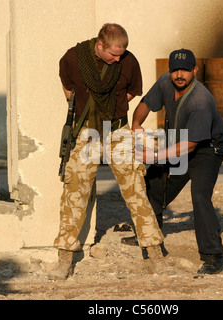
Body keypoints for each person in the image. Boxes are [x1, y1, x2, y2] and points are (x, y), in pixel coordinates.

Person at [51, 23, 167, 280]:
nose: (118, 59)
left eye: (121, 53)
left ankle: (155, 255)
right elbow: (69, 92)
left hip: (117, 131)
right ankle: (64, 259)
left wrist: (108, 110)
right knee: (74, 193)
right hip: (85, 133)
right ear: (100, 45)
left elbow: (128, 95)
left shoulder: (128, 61)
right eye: (113, 54)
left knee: (136, 189)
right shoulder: (72, 58)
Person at [123, 48, 223, 275]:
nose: (180, 74)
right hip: (178, 143)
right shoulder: (165, 82)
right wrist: (136, 124)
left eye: (185, 70)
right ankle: (150, 234)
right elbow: (145, 104)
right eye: (175, 70)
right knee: (152, 184)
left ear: (195, 70)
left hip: (206, 149)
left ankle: (213, 256)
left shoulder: (201, 100)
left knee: (200, 196)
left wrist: (154, 156)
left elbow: (191, 145)